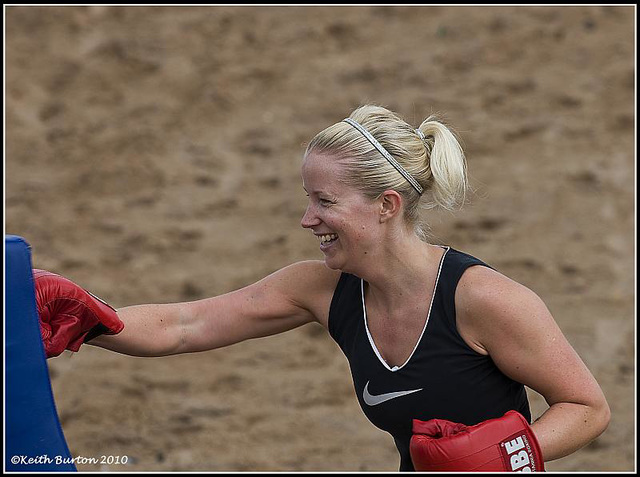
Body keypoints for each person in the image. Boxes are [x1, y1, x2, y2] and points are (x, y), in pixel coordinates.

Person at [34, 105, 610, 471]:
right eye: (308, 198)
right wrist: (91, 320)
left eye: (324, 202)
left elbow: (587, 407)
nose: (307, 219)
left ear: (386, 207)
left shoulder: (483, 300)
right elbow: (189, 326)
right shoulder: (322, 288)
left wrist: (510, 456)